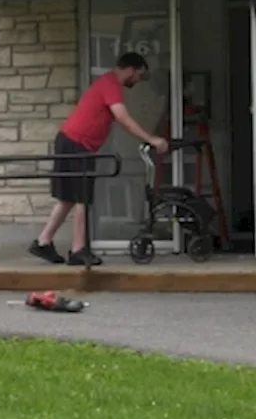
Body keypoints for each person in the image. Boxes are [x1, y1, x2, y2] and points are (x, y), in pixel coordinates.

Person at [29, 52, 168, 266]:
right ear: (131, 69)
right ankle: (78, 250)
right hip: (77, 143)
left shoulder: (107, 83)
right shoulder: (110, 84)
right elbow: (122, 117)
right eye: (139, 75)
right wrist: (152, 139)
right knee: (82, 198)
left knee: (68, 197)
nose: (138, 80)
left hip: (70, 140)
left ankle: (43, 241)